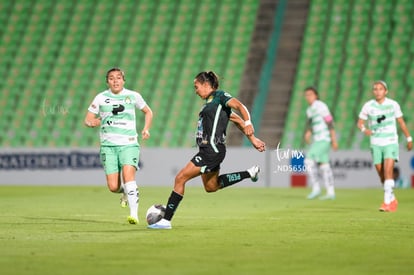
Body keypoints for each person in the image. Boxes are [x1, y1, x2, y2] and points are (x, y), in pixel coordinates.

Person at [148, 71, 266, 229]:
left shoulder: (220, 96)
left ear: (205, 84)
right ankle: (250, 173)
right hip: (210, 150)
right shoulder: (211, 103)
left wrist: (249, 122)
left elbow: (240, 106)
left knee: (180, 178)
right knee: (211, 187)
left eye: (196, 86)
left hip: (212, 150)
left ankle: (166, 221)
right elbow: (236, 120)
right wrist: (252, 139)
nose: (195, 90)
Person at [84, 67, 153, 224]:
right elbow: (88, 119)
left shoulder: (133, 96)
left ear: (123, 80)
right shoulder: (100, 98)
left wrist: (146, 128)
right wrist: (92, 122)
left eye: (118, 78)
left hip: (129, 144)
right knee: (113, 186)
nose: (115, 81)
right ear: (107, 81)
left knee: (129, 177)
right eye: (111, 78)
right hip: (108, 146)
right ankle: (125, 193)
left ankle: (134, 214)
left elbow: (148, 112)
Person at [357, 80, 412, 212]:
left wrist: (409, 138)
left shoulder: (393, 104)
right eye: (375, 89)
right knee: (381, 174)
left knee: (388, 171)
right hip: (376, 143)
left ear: (385, 91)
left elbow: (401, 122)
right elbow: (360, 123)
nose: (378, 91)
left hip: (390, 141)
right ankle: (392, 198)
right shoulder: (368, 106)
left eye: (380, 89)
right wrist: (365, 130)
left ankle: (387, 203)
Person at [303, 87, 338, 200]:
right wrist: (308, 132)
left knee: (308, 160)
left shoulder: (321, 105)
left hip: (324, 138)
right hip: (317, 139)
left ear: (316, 95)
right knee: (324, 165)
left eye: (310, 94)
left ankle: (316, 188)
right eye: (306, 95)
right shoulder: (309, 110)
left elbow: (330, 122)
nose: (308, 97)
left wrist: (334, 139)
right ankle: (330, 192)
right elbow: (311, 124)